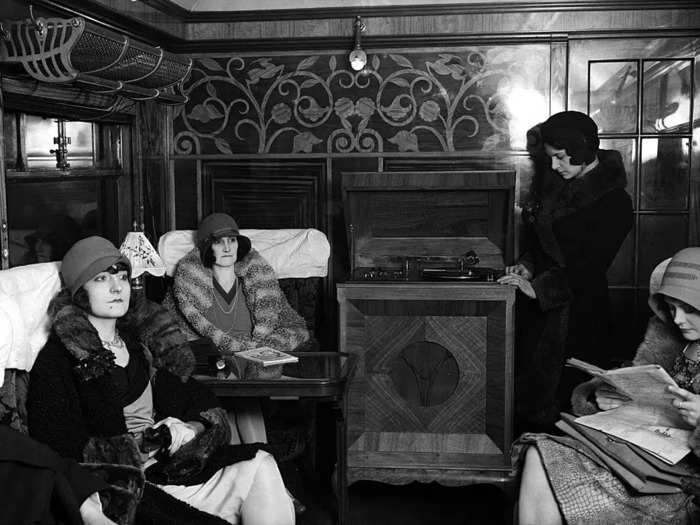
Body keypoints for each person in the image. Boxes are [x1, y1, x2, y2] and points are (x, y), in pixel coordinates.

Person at [26, 236, 294, 525]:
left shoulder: (138, 345)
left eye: (123, 277)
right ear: (79, 292)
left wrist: (189, 427)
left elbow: (196, 396)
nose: (117, 288)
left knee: (260, 463)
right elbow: (53, 441)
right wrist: (141, 443)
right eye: (101, 279)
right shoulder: (59, 358)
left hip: (167, 467)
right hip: (124, 487)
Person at [517, 247, 700, 525]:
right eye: (672, 308)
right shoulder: (671, 338)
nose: (677, 319)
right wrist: (612, 396)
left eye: (689, 309)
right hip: (643, 452)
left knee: (548, 480)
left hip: (680, 477)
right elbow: (648, 390)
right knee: (539, 455)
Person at [498, 110, 633, 432]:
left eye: (560, 157)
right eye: (551, 159)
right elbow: (542, 246)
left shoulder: (616, 202)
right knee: (530, 399)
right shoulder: (557, 187)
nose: (555, 166)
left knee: (572, 405)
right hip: (541, 312)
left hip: (581, 313)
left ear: (582, 149)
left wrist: (539, 289)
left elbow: (590, 266)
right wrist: (528, 268)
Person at [164, 213, 310, 444]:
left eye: (232, 240)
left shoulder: (257, 280)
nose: (227, 248)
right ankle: (254, 464)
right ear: (205, 247)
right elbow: (171, 336)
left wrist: (270, 346)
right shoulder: (191, 285)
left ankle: (258, 461)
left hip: (252, 362)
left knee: (244, 401)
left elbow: (295, 326)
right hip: (216, 365)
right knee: (228, 401)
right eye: (218, 242)